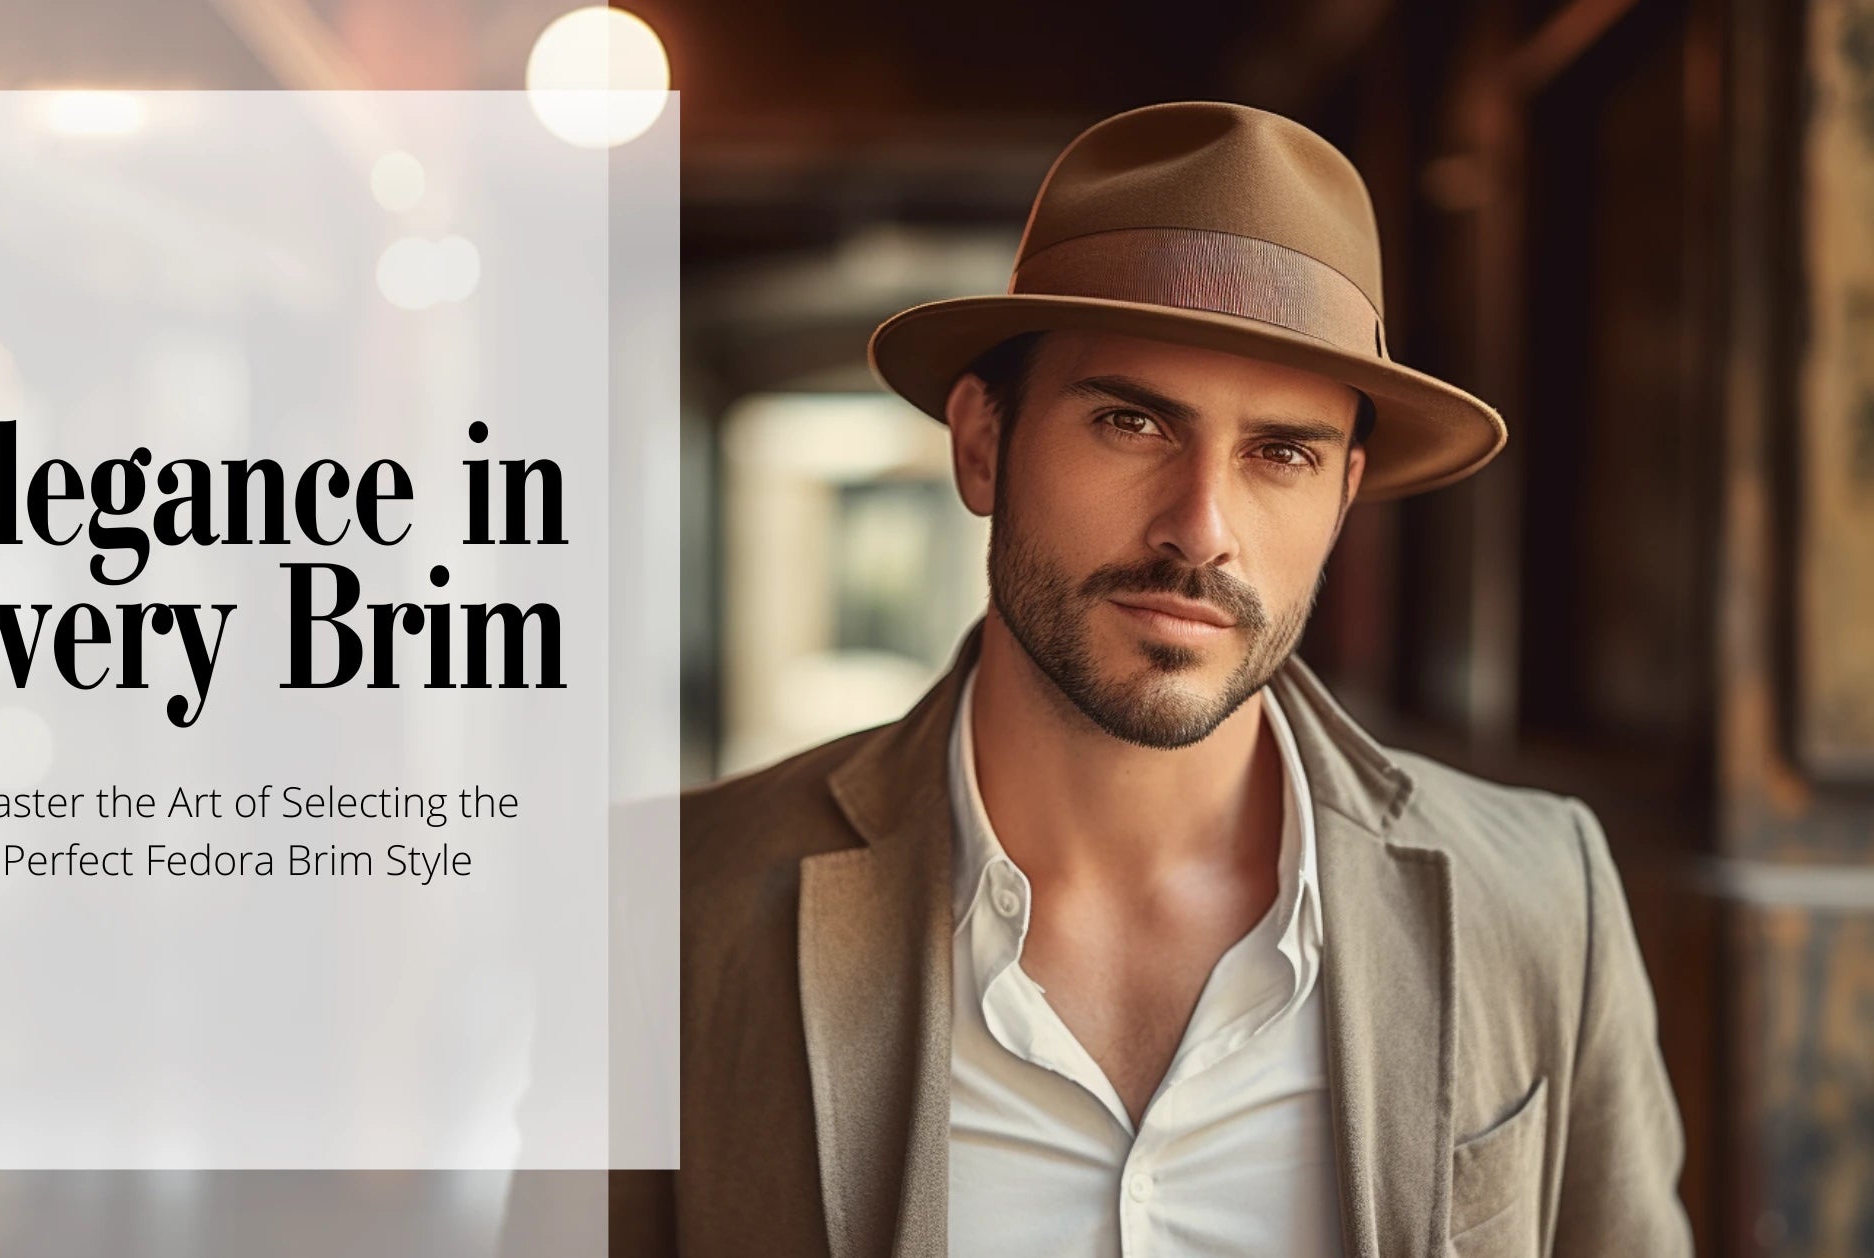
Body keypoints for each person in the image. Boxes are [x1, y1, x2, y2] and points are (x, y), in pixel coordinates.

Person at [614, 101, 1692, 1257]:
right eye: (1130, 422)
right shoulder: (666, 910)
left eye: (1280, 453)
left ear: (1341, 497)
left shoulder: (1537, 898)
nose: (1200, 528)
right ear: (981, 444)